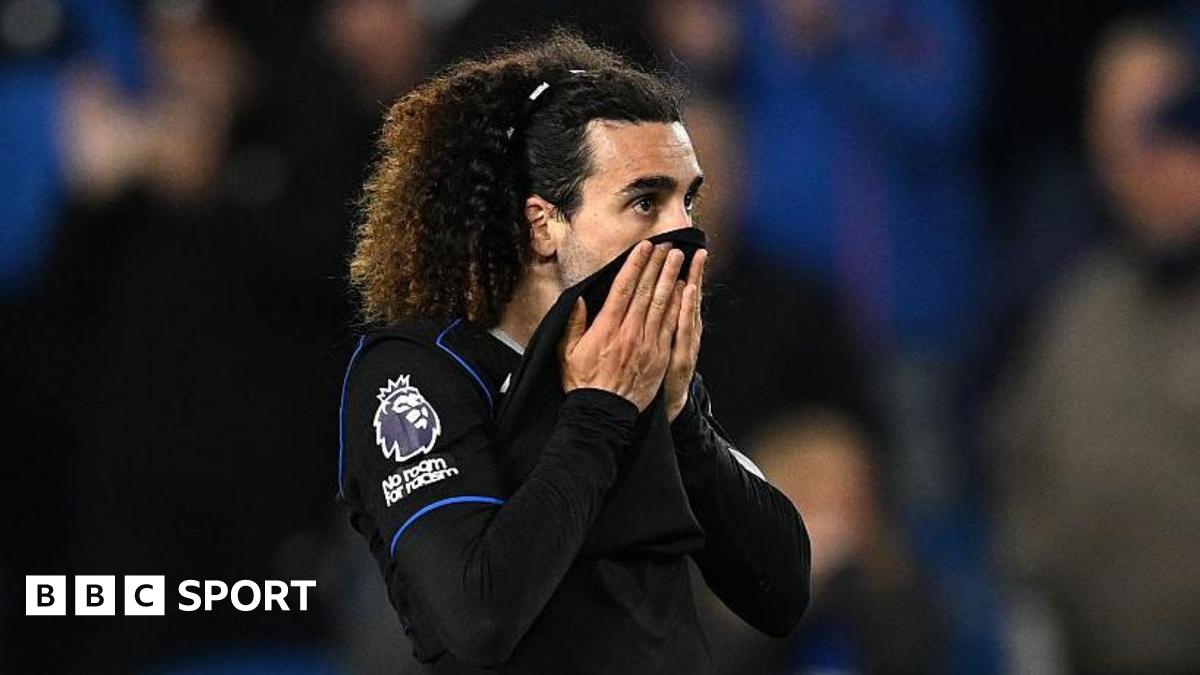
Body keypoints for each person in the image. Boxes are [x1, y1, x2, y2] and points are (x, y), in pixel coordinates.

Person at [337, 31, 811, 672]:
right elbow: (477, 619)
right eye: (645, 201)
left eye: (688, 199)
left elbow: (782, 594)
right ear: (544, 225)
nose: (686, 230)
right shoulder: (417, 372)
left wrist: (684, 424)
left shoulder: (644, 370)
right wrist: (597, 414)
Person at [989, 17, 1200, 675]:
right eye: (1120, 129)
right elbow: (1017, 457)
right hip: (1096, 648)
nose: (1148, 157)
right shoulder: (1077, 307)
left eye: (1167, 130)